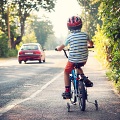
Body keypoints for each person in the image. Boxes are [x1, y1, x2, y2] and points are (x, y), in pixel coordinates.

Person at [55, 16, 93, 99]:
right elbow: (91, 44)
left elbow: (61, 47)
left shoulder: (69, 37)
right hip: (83, 59)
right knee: (78, 65)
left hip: (72, 60)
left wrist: (58, 49)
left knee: (66, 72)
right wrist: (89, 46)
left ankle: (67, 92)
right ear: (81, 25)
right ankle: (83, 77)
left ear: (69, 27)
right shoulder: (85, 35)